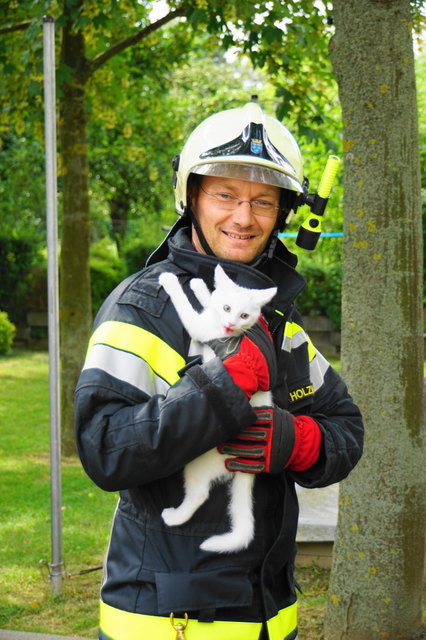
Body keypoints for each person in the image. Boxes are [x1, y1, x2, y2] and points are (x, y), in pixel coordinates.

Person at [75, 99, 363, 640]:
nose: (243, 217)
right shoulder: (144, 306)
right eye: (225, 195)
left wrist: (298, 441)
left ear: (283, 214)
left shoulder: (277, 318)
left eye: (263, 202)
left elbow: (345, 426)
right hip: (167, 622)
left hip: (270, 620)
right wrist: (222, 387)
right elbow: (103, 447)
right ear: (191, 198)